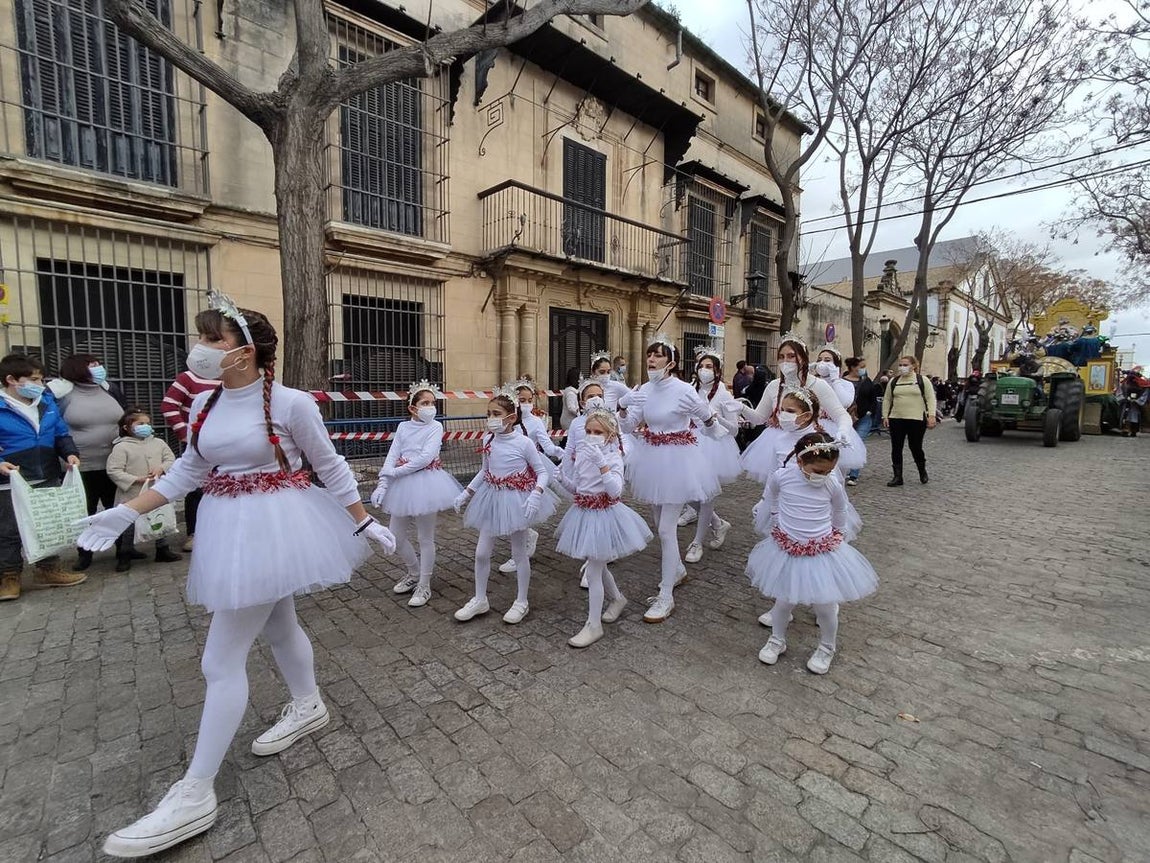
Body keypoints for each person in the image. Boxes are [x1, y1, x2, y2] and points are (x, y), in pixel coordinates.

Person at [75, 295, 396, 858]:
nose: (199, 348)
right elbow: (188, 471)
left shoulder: (291, 403)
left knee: (219, 662)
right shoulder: (203, 406)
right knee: (277, 624)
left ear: (246, 352)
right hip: (231, 526)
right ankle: (308, 703)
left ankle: (196, 790)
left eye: (213, 339)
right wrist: (127, 510)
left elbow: (329, 464)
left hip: (273, 525)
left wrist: (363, 519)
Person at [617, 335, 729, 623]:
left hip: (679, 461)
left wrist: (717, 431)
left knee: (667, 530)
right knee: (659, 524)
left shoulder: (683, 390)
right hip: (651, 460)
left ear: (672, 362)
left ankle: (666, 594)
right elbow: (629, 426)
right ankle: (677, 570)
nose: (651, 360)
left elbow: (707, 417)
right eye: (649, 355)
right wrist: (623, 406)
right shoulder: (643, 389)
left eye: (658, 355)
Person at [748, 432, 877, 674]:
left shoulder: (831, 484)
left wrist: (838, 533)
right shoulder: (782, 477)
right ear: (800, 461)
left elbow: (840, 510)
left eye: (828, 471)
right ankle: (777, 639)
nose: (823, 476)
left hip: (820, 550)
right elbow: (773, 499)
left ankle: (827, 646)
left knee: (825, 606)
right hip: (787, 548)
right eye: (818, 471)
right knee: (783, 600)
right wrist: (776, 520)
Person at [453, 391, 557, 624]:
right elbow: (484, 470)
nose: (491, 418)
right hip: (491, 497)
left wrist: (536, 494)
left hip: (516, 499)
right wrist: (466, 493)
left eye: (496, 414)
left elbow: (541, 472)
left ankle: (522, 601)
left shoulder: (524, 443)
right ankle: (480, 599)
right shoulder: (487, 440)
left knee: (519, 553)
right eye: (488, 414)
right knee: (481, 552)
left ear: (511, 418)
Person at [555, 408, 650, 646]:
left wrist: (602, 465)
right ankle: (617, 598)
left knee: (593, 570)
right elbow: (579, 488)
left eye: (597, 432)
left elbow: (615, 491)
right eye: (588, 431)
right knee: (598, 563)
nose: (591, 435)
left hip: (604, 515)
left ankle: (593, 625)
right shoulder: (584, 454)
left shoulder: (613, 457)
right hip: (584, 513)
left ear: (609, 435)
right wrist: (562, 479)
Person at [370, 381, 463, 608]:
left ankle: (424, 583)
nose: (431, 407)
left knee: (425, 537)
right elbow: (393, 454)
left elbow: (426, 458)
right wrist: (383, 483)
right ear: (413, 408)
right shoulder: (403, 427)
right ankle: (413, 573)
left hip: (426, 483)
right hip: (402, 486)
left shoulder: (435, 427)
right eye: (425, 403)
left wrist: (395, 472)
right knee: (395, 537)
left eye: (433, 403)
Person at [0, 354, 85, 601]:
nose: (39, 384)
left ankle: (48, 569)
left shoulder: (46, 403)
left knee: (48, 524)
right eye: (33, 379)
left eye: (40, 379)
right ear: (11, 380)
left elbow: (60, 433)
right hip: (11, 479)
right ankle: (9, 576)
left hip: (46, 474)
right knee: (8, 529)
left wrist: (69, 454)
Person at [739, 334, 865, 480]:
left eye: (791, 356)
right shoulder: (773, 386)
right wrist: (741, 408)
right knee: (780, 486)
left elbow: (841, 414)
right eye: (781, 356)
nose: (786, 361)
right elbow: (759, 418)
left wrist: (844, 430)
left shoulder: (818, 384)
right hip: (779, 443)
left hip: (811, 444)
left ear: (803, 358)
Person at [48, 353, 128, 571]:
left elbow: (126, 416)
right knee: (85, 510)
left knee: (118, 507)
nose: (98, 368)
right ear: (77, 369)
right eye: (92, 365)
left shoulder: (109, 388)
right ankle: (84, 553)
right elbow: (53, 426)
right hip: (79, 464)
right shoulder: (61, 394)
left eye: (99, 363)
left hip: (114, 462)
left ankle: (124, 549)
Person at [496, 378, 564, 574]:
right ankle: (527, 537)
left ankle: (519, 553)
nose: (525, 404)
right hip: (508, 470)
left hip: (530, 469)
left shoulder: (535, 422)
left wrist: (561, 452)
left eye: (528, 400)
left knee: (518, 510)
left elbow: (547, 444)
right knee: (507, 509)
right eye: (521, 399)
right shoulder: (505, 420)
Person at [680, 347, 738, 564]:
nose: (704, 370)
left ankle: (697, 542)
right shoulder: (689, 389)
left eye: (709, 367)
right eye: (701, 366)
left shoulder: (724, 393)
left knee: (706, 497)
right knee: (685, 492)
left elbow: (734, 429)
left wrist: (715, 418)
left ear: (717, 371)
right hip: (689, 443)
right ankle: (717, 523)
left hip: (714, 446)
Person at [105, 408, 181, 572]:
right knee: (129, 524)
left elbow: (170, 458)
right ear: (127, 427)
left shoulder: (158, 443)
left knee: (160, 517)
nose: (145, 426)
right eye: (140, 424)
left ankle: (163, 549)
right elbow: (114, 470)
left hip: (156, 489)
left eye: (147, 423)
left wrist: (161, 468)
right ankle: (124, 553)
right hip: (131, 493)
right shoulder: (121, 447)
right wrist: (134, 479)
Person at [161, 367, 218, 552]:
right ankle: (194, 533)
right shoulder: (189, 377)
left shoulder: (228, 379)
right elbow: (169, 405)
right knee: (196, 489)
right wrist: (185, 434)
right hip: (198, 443)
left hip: (224, 443)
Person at [882, 355, 937, 486]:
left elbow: (930, 398)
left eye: (905, 365)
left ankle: (922, 470)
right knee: (896, 447)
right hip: (896, 418)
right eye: (900, 365)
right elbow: (887, 399)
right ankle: (897, 476)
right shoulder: (894, 381)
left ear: (913, 366)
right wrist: (885, 416)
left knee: (916, 447)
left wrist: (932, 415)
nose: (902, 367)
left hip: (916, 418)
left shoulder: (922, 380)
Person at [842, 357, 877, 487]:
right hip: (846, 417)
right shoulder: (842, 381)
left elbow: (873, 398)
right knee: (845, 443)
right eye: (861, 366)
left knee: (858, 442)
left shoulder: (867, 381)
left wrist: (870, 411)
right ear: (852, 367)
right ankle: (844, 468)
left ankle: (854, 474)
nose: (863, 369)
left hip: (864, 417)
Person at [1119, 371, 1149, 436]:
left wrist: (1137, 401)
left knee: (1135, 417)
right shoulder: (1124, 384)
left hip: (1136, 405)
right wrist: (1124, 399)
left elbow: (1145, 394)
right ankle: (1126, 430)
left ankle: (1133, 431)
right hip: (1126, 404)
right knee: (1126, 416)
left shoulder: (1143, 385)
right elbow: (1120, 393)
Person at [559, 367, 581, 431]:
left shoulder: (574, 391)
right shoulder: (570, 393)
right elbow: (571, 407)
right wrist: (579, 413)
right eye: (580, 376)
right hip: (569, 421)